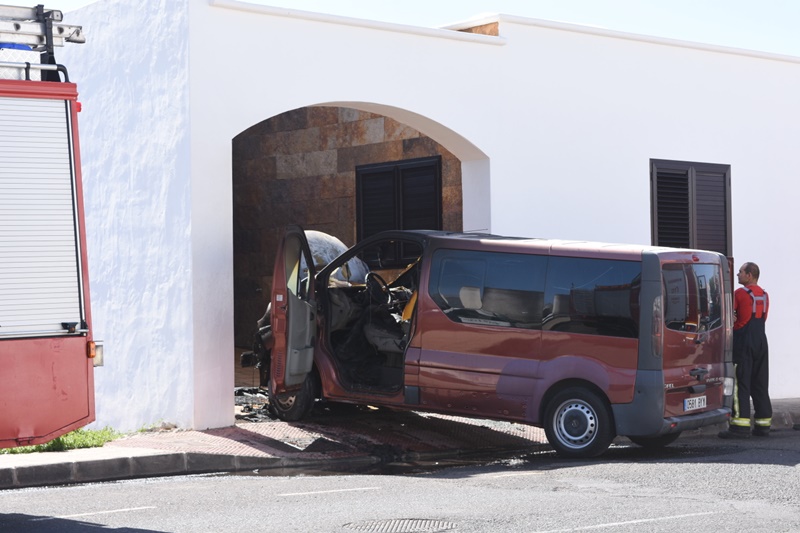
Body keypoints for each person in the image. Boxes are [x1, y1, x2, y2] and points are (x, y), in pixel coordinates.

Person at [719, 262, 771, 439]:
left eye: (740, 272)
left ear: (749, 275)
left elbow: (727, 316)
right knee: (760, 382)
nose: (738, 275)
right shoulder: (764, 295)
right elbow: (763, 317)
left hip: (743, 342)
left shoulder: (739, 294)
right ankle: (763, 424)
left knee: (740, 382)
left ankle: (739, 426)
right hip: (761, 341)